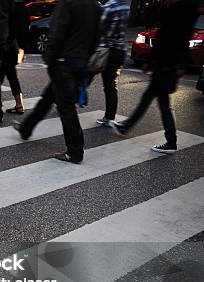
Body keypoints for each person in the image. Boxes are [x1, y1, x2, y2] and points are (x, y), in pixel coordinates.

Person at [13, 0, 101, 164]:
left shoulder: (68, 3)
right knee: (48, 97)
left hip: (63, 61)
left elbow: (57, 32)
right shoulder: (95, 5)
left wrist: (49, 59)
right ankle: (26, 128)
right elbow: (98, 36)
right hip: (81, 62)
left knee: (66, 107)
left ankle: (75, 151)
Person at [110, 0, 199, 154]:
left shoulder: (176, 12)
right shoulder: (188, 13)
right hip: (171, 65)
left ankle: (129, 127)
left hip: (164, 65)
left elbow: (165, 38)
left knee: (152, 99)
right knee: (162, 103)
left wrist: (151, 61)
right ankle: (168, 139)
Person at [90, 0, 131, 127]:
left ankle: (72, 99)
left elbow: (100, 28)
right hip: (119, 51)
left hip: (106, 50)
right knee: (110, 85)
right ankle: (109, 116)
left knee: (87, 74)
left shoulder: (110, 6)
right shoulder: (125, 7)